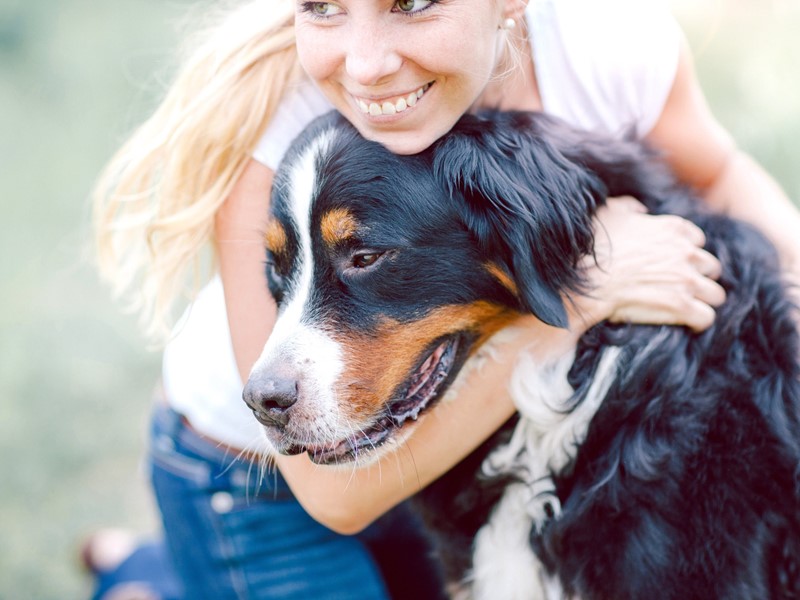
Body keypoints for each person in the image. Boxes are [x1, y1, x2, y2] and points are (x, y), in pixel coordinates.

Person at [87, 0, 800, 598]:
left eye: (414, 1)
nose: (366, 65)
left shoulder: (603, 44)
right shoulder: (275, 122)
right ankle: (147, 579)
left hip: (439, 443)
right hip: (256, 480)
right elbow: (335, 498)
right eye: (323, 6)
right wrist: (586, 294)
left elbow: (719, 173)